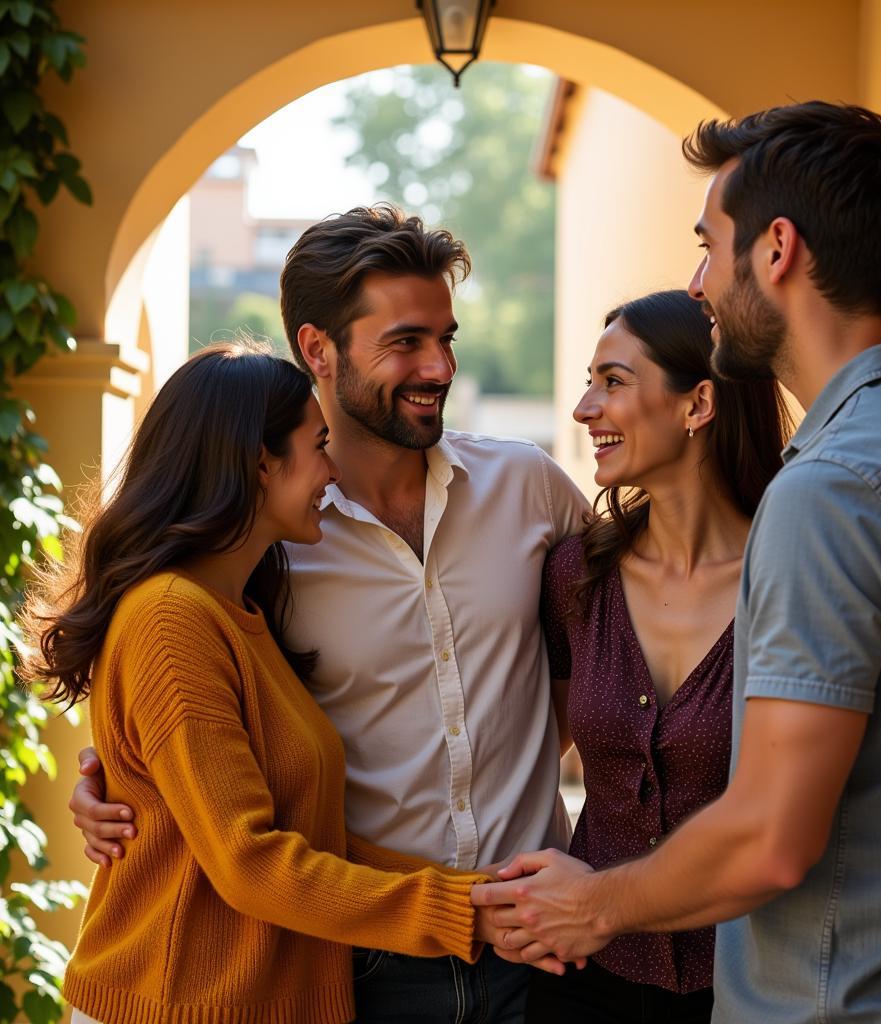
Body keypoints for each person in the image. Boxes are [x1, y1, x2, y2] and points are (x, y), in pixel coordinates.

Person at [472, 102, 881, 1023]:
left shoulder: (832, 490)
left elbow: (771, 838)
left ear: (776, 250)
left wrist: (592, 903)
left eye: (707, 245)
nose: (696, 283)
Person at [67, 206, 590, 1023]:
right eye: (406, 341)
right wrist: (122, 779)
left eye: (447, 337)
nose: (440, 366)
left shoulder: (532, 488)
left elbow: (616, 651)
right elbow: (220, 791)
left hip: (531, 944)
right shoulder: (268, 560)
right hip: (355, 965)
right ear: (318, 349)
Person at [21, 344, 503, 1024]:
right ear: (259, 463)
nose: (332, 475)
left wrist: (476, 897)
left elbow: (306, 835)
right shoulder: (170, 618)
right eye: (318, 447)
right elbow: (249, 861)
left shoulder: (238, 614)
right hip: (178, 1006)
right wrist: (461, 912)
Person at [526, 289, 790, 1024]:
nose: (584, 408)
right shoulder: (576, 576)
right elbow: (526, 755)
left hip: (753, 985)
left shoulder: (794, 583)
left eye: (613, 382)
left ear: (697, 404)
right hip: (582, 978)